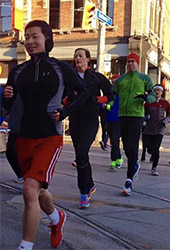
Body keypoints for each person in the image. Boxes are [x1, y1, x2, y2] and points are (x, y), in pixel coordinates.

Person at [2, 20, 89, 250]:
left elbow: (84, 92)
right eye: (27, 37)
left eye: (35, 36)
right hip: (24, 138)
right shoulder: (19, 71)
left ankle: (25, 246)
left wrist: (65, 111)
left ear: (47, 39)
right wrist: (7, 96)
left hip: (50, 137)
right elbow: (9, 104)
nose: (29, 41)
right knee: (38, 192)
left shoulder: (61, 69)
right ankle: (56, 218)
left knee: (29, 189)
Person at [65, 48, 113, 208]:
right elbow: (63, 98)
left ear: (88, 60)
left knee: (81, 154)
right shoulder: (69, 78)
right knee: (81, 157)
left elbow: (110, 95)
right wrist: (68, 100)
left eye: (80, 56)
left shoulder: (96, 77)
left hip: (91, 121)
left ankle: (84, 193)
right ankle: (90, 184)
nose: (77, 58)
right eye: (75, 56)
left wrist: (97, 99)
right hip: (75, 121)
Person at [112, 52, 155, 195]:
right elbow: (111, 94)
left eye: (133, 62)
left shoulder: (144, 78)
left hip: (137, 116)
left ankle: (128, 180)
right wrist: (107, 103)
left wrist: (146, 97)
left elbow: (153, 95)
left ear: (137, 64)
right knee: (126, 146)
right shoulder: (121, 80)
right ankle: (134, 165)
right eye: (128, 62)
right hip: (123, 116)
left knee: (133, 146)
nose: (130, 64)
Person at [143, 84, 170, 176]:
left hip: (159, 129)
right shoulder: (148, 102)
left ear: (162, 92)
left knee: (156, 148)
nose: (157, 92)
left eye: (159, 90)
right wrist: (144, 120)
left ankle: (154, 167)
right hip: (149, 128)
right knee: (149, 149)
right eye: (155, 90)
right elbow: (143, 113)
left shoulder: (165, 103)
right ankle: (151, 154)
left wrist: (165, 121)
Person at [104, 74, 123, 170]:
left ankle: (113, 160)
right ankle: (119, 157)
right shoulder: (110, 92)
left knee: (115, 139)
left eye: (115, 82)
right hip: (109, 118)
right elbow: (104, 101)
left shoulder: (122, 92)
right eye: (112, 82)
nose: (113, 84)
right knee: (113, 140)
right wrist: (103, 105)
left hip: (119, 119)